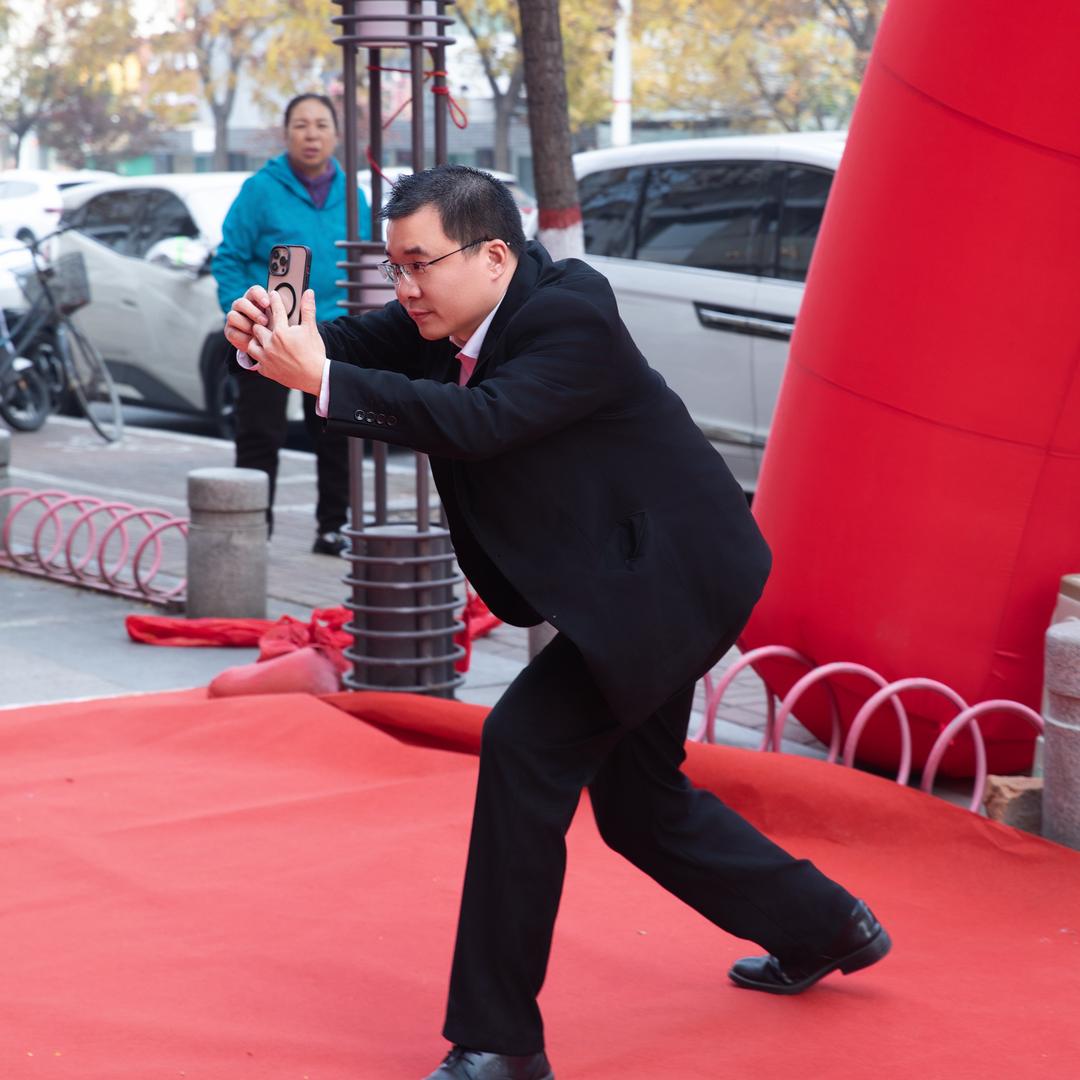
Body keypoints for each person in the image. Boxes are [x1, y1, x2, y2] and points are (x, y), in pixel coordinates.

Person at [224, 166, 891, 1080]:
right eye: (395, 267)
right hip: (622, 583)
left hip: (676, 581)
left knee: (523, 746)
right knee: (639, 806)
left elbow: (484, 420)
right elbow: (339, 343)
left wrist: (327, 381)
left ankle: (499, 1042)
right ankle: (828, 925)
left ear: (494, 256)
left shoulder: (571, 313)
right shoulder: (442, 315)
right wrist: (266, 339)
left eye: (420, 265)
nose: (404, 288)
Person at [212, 93, 371, 555]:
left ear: (337, 135)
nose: (312, 134)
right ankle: (249, 528)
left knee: (335, 433)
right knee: (260, 432)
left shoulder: (353, 195)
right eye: (301, 125)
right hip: (267, 332)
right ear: (286, 134)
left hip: (333, 333)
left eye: (321, 125)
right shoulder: (260, 190)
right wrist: (244, 312)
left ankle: (332, 528)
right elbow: (229, 258)